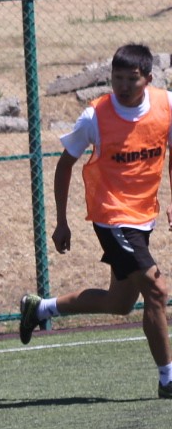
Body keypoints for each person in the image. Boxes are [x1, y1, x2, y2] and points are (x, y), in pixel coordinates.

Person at [17, 44, 172, 395]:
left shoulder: (166, 106)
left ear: (148, 78)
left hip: (142, 216)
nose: (123, 86)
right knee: (157, 290)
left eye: (132, 79)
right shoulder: (95, 116)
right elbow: (64, 166)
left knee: (120, 303)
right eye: (117, 78)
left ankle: (40, 309)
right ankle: (168, 379)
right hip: (112, 216)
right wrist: (61, 221)